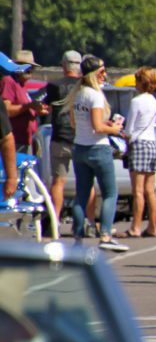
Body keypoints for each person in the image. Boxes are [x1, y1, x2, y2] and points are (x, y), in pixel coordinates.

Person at [66, 55, 128, 252]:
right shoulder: (95, 95)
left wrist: (105, 125)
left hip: (80, 147)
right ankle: (106, 234)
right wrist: (115, 129)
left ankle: (77, 236)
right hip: (97, 148)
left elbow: (75, 123)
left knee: (82, 194)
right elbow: (97, 127)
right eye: (102, 72)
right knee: (110, 193)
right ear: (94, 74)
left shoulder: (77, 94)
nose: (105, 75)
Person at [44, 50, 97, 229]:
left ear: (63, 65)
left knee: (58, 181)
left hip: (60, 137)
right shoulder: (85, 86)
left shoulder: (54, 85)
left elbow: (43, 104)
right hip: (81, 138)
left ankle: (55, 221)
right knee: (87, 182)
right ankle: (89, 222)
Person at [117, 67, 156, 239]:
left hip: (139, 144)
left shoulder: (137, 101)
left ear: (141, 82)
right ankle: (153, 227)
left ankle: (135, 227)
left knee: (138, 191)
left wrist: (121, 132)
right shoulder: (154, 101)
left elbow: (129, 129)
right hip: (152, 144)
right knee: (150, 190)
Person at [1, 50, 48, 153]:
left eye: (31, 69)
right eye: (27, 68)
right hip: (15, 141)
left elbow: (24, 107)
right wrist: (29, 106)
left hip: (26, 141)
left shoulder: (22, 85)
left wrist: (37, 109)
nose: (30, 71)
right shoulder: (9, 81)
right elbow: (7, 110)